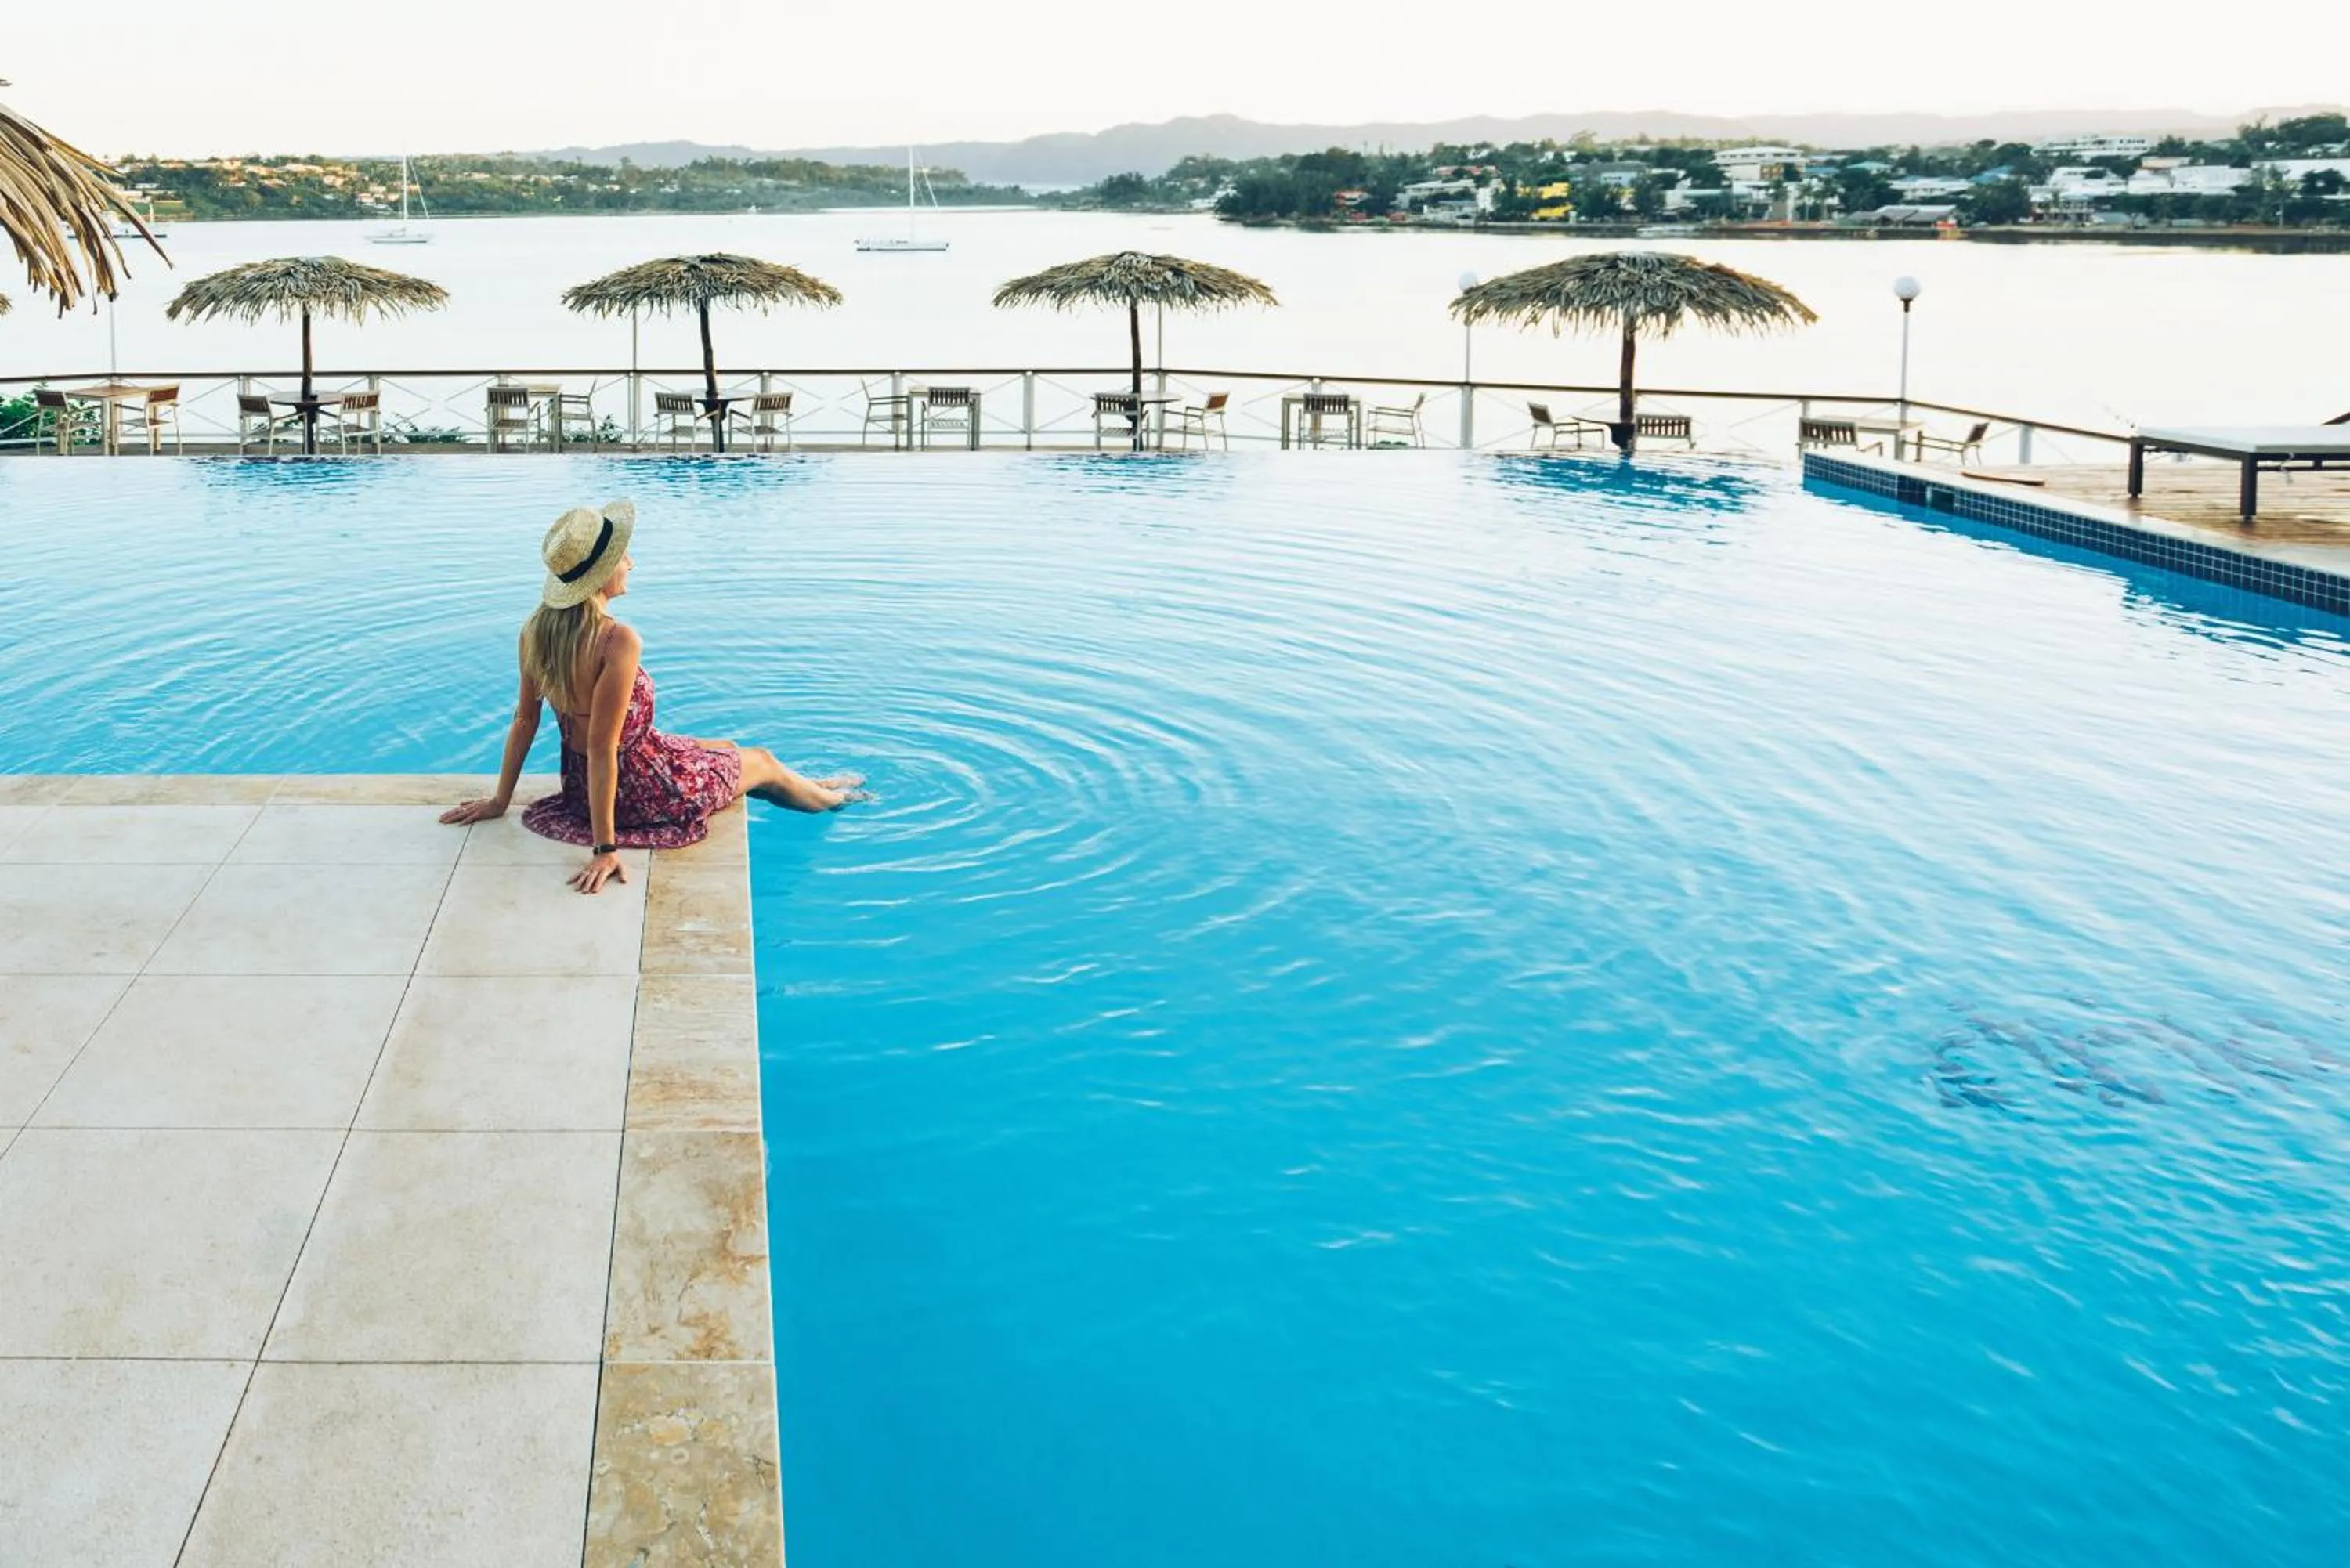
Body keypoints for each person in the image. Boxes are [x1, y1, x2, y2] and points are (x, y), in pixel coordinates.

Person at [442, 499, 862, 894]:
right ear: (601, 574)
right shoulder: (617, 641)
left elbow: (525, 721)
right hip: (641, 790)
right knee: (764, 761)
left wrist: (500, 801)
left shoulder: (535, 633)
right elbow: (603, 748)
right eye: (622, 557)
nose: (630, 563)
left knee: (727, 747)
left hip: (580, 787)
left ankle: (816, 784)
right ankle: (837, 800)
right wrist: (605, 849)